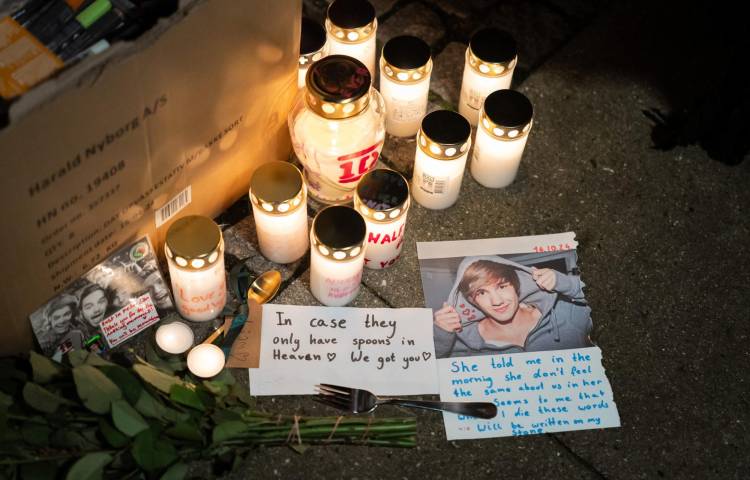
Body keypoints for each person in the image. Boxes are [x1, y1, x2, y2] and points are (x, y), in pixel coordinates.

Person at [433, 256, 592, 358]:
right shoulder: (463, 343)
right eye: (481, 292)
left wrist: (567, 283)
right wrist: (441, 336)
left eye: (502, 286)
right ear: (472, 301)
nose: (496, 301)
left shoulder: (564, 313)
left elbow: (610, 300)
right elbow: (427, 375)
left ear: (516, 286)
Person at [40, 294, 85, 359]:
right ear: (49, 320)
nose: (62, 321)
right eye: (57, 317)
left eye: (67, 314)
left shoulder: (77, 325)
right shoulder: (45, 343)